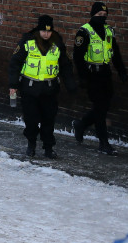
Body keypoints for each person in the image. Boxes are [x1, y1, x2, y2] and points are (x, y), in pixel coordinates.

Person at [8, 15, 77, 158]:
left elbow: (65, 65)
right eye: (44, 31)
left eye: (49, 31)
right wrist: (13, 85)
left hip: (49, 89)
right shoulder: (27, 42)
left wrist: (70, 85)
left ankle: (48, 147)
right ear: (39, 30)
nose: (46, 34)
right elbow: (15, 63)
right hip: (29, 88)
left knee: (48, 120)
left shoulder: (57, 43)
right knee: (31, 120)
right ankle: (31, 144)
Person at [73, 1, 128, 156]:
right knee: (100, 108)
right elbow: (77, 57)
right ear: (93, 14)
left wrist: (122, 71)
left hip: (105, 73)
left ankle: (81, 124)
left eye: (104, 15)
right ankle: (103, 142)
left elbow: (115, 53)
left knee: (103, 106)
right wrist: (83, 77)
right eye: (99, 15)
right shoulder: (84, 32)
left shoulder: (109, 31)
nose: (102, 17)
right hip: (92, 74)